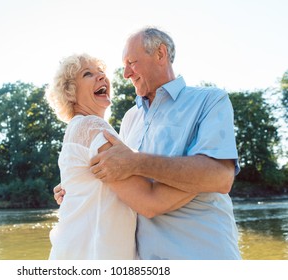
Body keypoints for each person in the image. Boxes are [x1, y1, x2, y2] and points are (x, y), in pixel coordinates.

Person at [55, 27, 242, 260]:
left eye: (132, 62)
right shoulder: (129, 120)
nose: (125, 73)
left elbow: (221, 178)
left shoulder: (210, 100)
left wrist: (137, 162)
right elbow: (128, 190)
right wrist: (79, 188)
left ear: (160, 54)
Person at [46, 53, 196, 260]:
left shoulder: (82, 128)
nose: (102, 78)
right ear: (70, 92)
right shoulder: (92, 127)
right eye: (88, 74)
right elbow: (148, 202)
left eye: (102, 73)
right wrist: (206, 180)